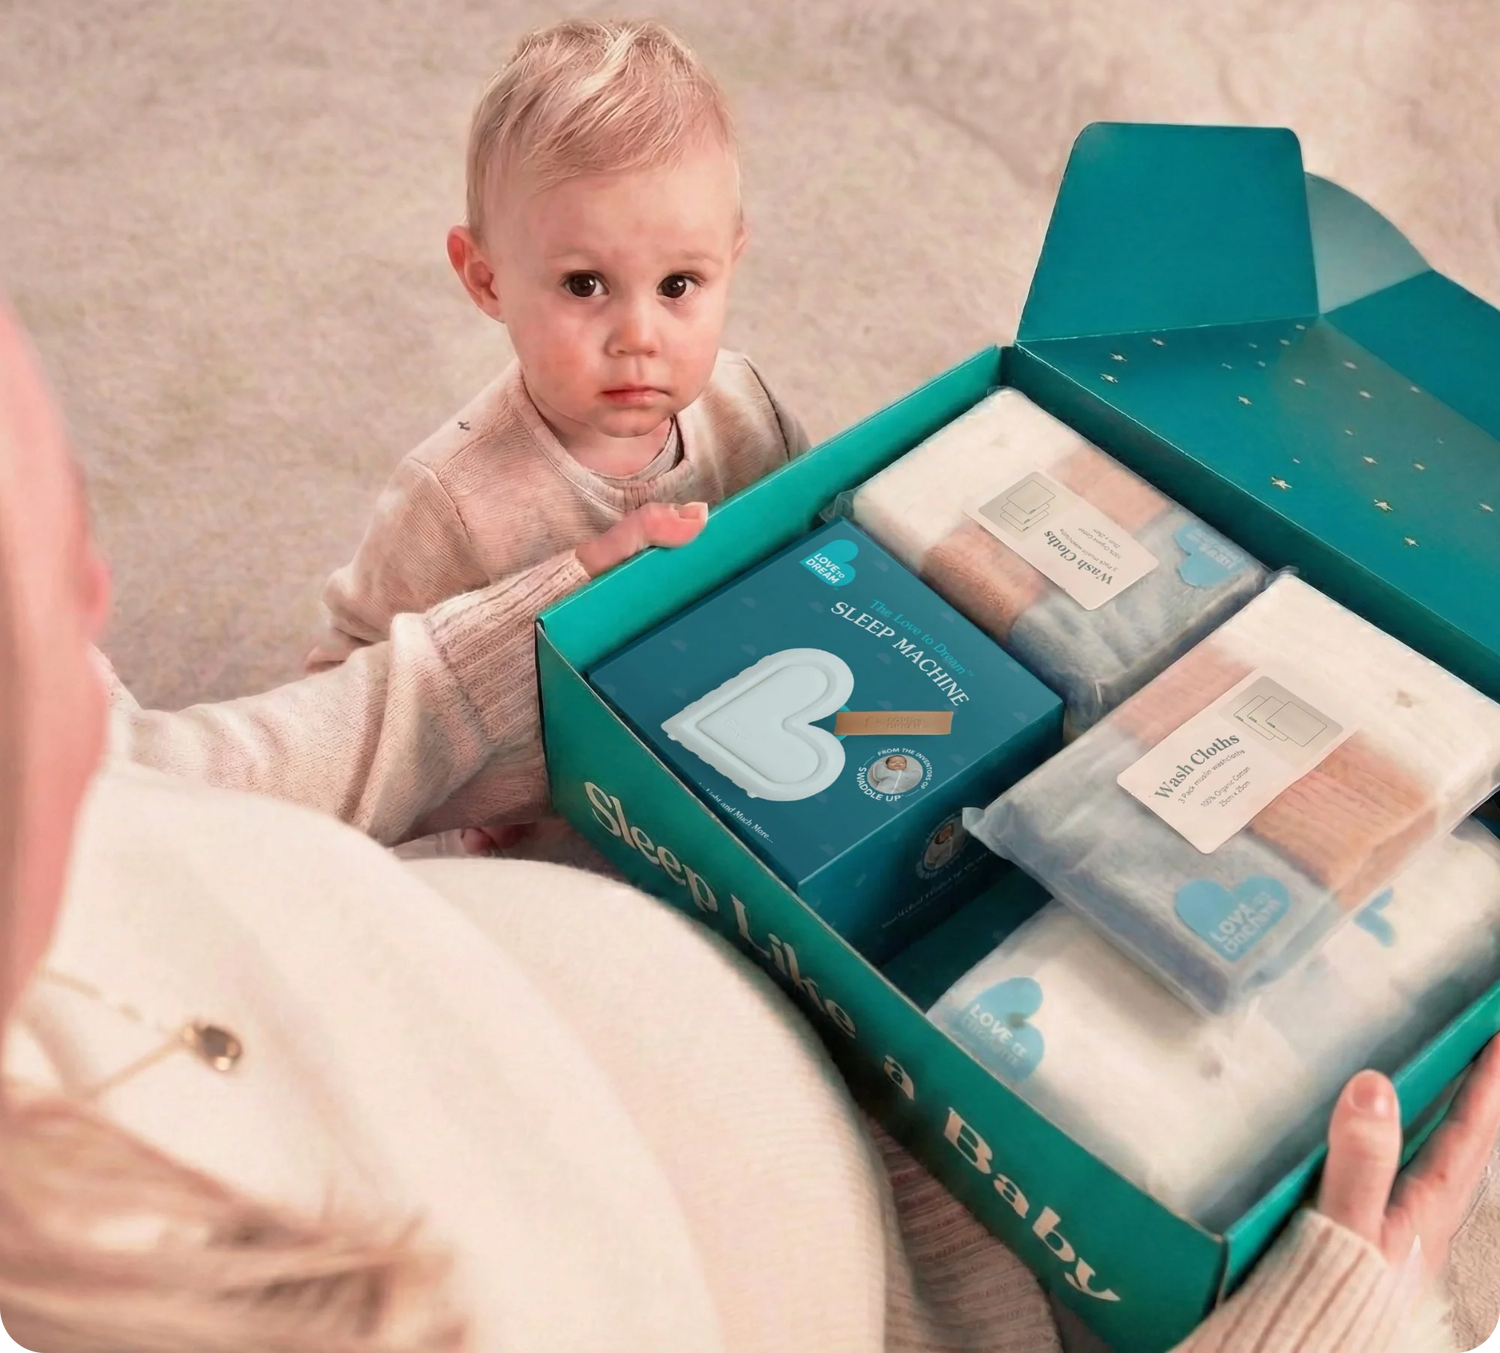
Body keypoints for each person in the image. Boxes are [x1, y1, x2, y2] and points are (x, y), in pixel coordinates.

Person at [4, 306, 1499, 1353]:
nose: (101, 599)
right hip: (976, 1244)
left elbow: (184, 758)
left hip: (654, 884)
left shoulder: (91, 775)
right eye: (53, 593)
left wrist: (530, 660)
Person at [302, 18, 808, 854]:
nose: (638, 336)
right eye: (584, 285)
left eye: (678, 284)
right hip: (556, 827)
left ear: (732, 258)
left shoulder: (745, 404)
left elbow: (808, 550)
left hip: (736, 758)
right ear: (487, 279)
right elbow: (340, 687)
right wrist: (457, 778)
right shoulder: (454, 497)